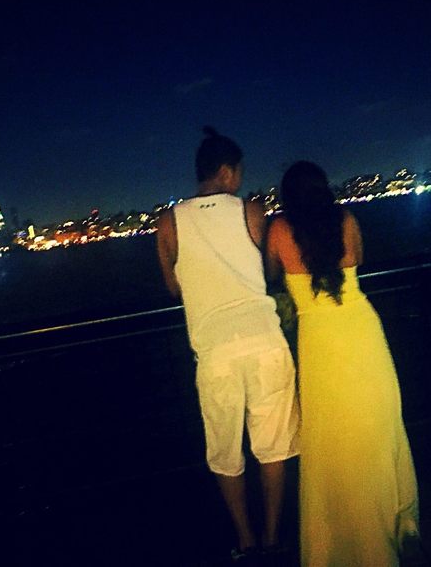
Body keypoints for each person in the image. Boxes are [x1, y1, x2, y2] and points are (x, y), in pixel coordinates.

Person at [156, 127, 300, 563]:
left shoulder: (169, 222)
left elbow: (173, 287)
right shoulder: (251, 212)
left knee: (225, 455)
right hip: (265, 342)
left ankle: (246, 542)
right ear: (225, 172)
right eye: (238, 172)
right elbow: (269, 273)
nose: (239, 179)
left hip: (215, 353)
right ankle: (272, 539)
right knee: (273, 450)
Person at [266, 161, 419, 566]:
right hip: (362, 331)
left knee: (330, 442)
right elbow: (358, 259)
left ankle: (339, 544)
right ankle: (395, 522)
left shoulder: (279, 231)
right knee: (377, 427)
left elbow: (273, 276)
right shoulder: (346, 220)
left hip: (319, 343)